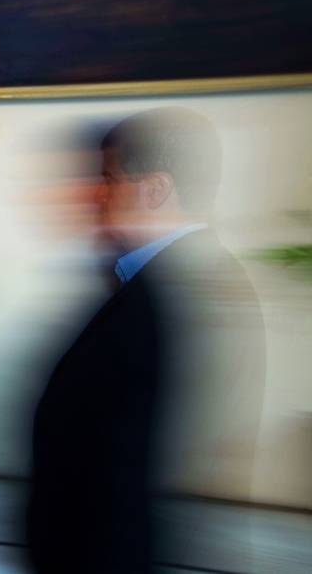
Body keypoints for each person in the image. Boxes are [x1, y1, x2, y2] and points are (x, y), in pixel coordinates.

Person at [26, 108, 266, 573]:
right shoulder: (161, 281)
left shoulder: (182, 290)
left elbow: (157, 470)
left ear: (155, 189)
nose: (98, 193)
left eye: (110, 177)